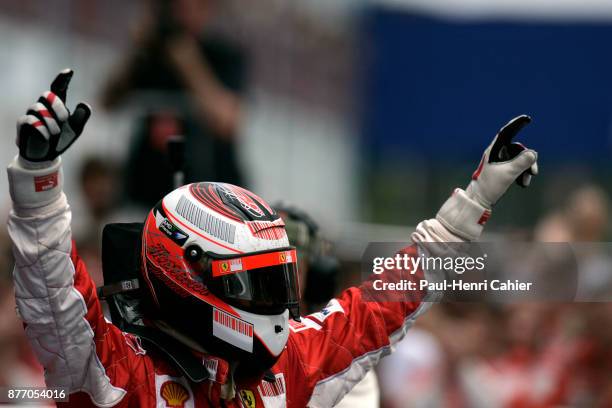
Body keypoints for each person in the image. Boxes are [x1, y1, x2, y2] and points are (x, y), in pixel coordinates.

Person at [6, 70, 538, 407]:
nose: (280, 301)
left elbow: (376, 309)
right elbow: (54, 296)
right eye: (257, 282)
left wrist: (471, 205)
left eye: (277, 277)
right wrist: (38, 181)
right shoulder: (113, 372)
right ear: (187, 273)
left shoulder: (283, 373)